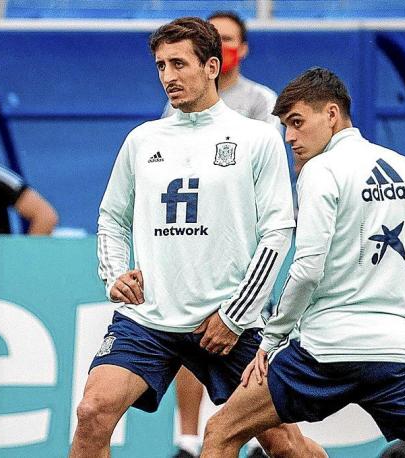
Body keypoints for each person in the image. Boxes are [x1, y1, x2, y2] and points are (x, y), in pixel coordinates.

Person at [69, 17, 325, 458]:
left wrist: (234, 314)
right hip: (149, 319)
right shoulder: (141, 140)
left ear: (211, 66)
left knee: (284, 444)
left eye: (179, 64)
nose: (168, 76)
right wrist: (113, 274)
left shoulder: (257, 138)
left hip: (227, 320)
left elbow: (278, 230)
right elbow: (112, 215)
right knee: (93, 410)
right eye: (160, 66)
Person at [200, 68, 405, 458]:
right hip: (397, 355)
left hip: (324, 354)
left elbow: (307, 269)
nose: (289, 138)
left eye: (296, 122)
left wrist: (272, 339)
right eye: (284, 126)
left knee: (220, 432)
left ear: (331, 114)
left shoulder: (320, 170)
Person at [161, 12, 280, 458]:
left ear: (241, 48)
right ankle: (189, 441)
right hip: (191, 243)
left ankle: (256, 439)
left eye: (228, 38)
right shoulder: (175, 104)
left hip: (244, 249)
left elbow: (260, 180)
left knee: (251, 344)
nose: (222, 45)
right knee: (191, 335)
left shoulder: (260, 103)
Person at [162, 11, 278, 128]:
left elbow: (267, 143)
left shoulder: (262, 99)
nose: (219, 46)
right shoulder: (182, 98)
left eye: (226, 39)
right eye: (213, 39)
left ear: (243, 49)